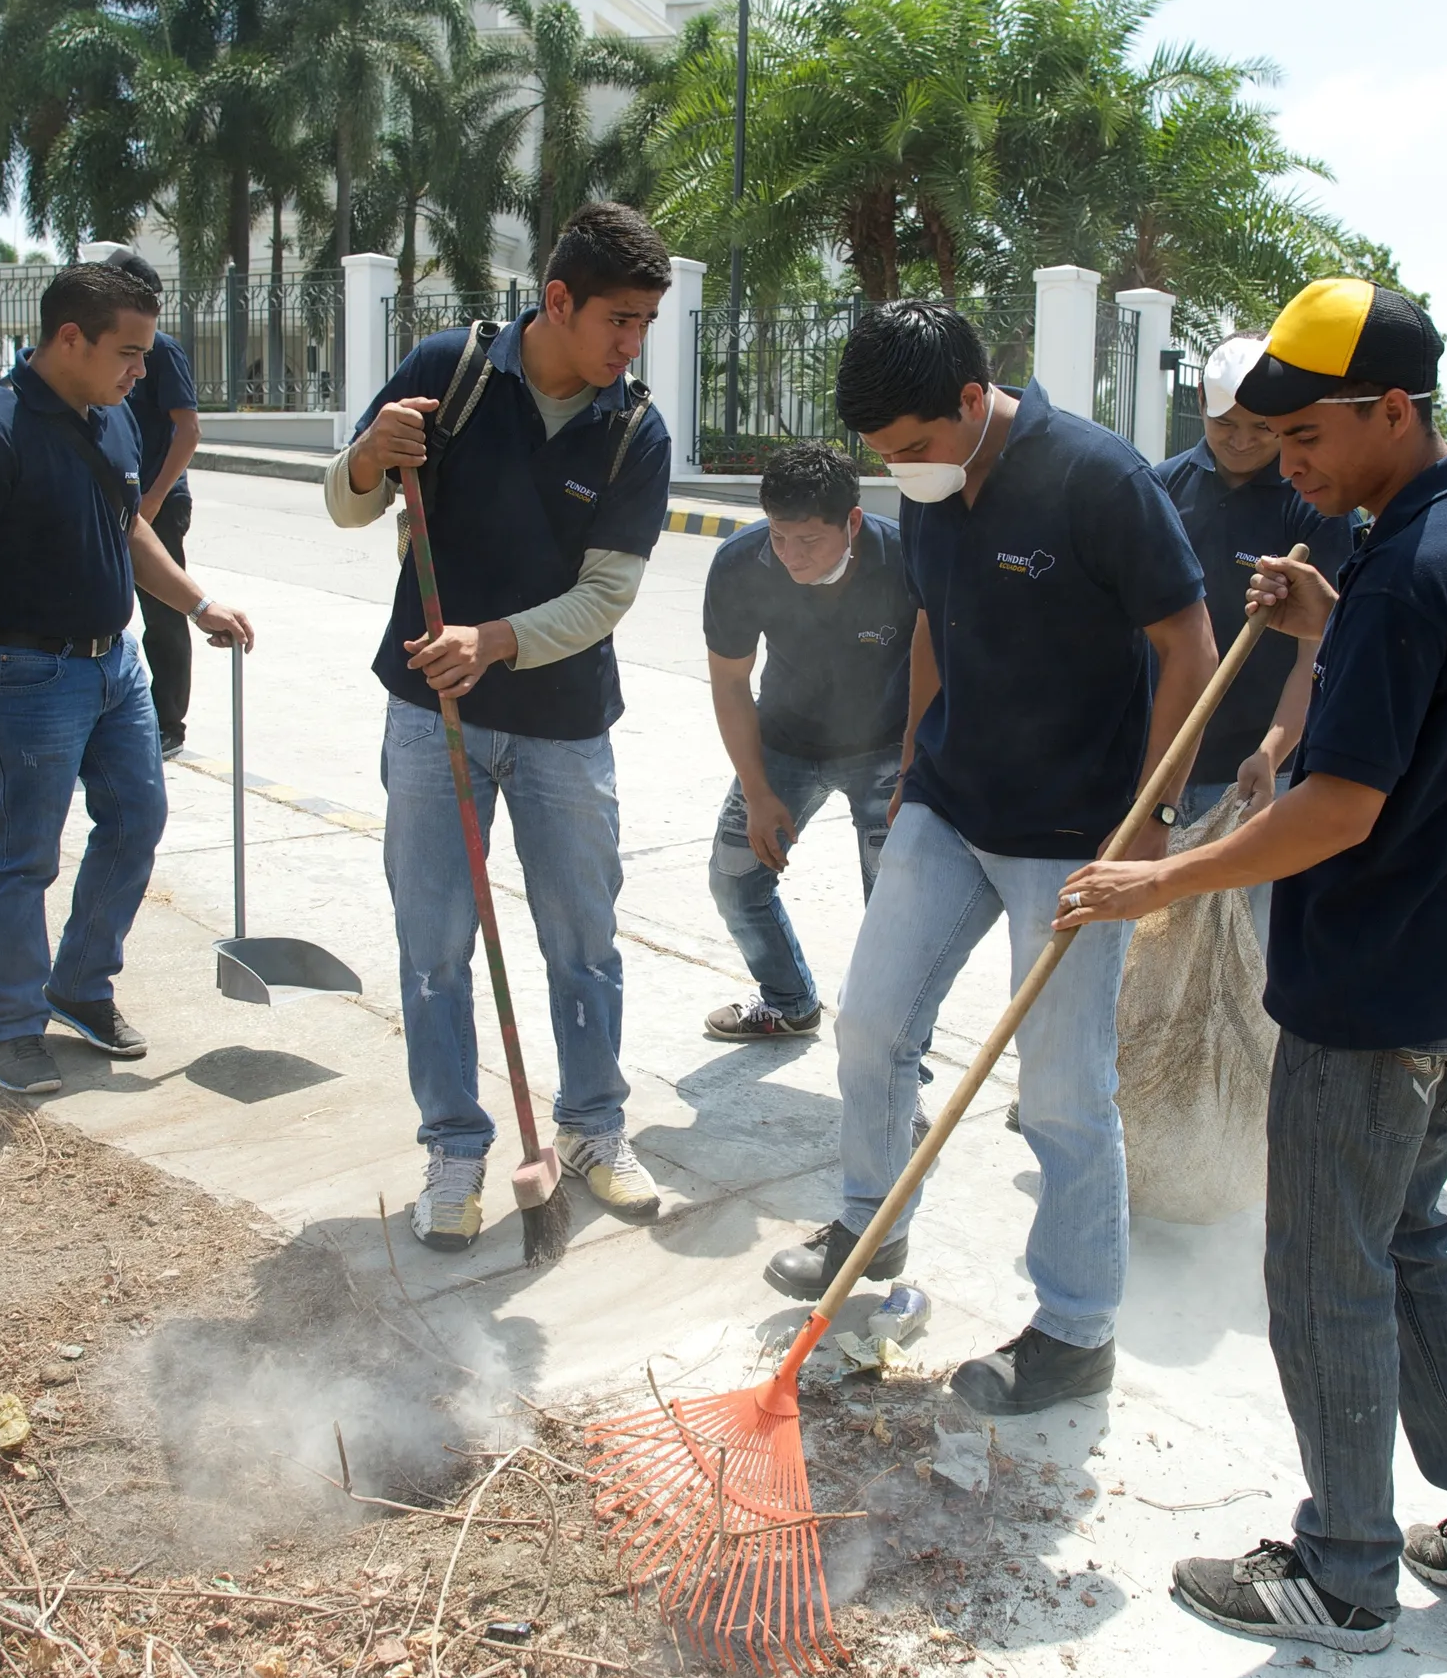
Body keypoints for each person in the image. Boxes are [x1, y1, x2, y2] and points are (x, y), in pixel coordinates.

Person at [1059, 279, 1447, 1652]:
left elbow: (1342, 806)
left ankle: (1345, 1568)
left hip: (1374, 988)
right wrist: (1323, 624)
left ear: (1391, 409)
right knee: (1412, 1239)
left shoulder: (1409, 572)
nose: (1287, 464)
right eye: (1271, 437)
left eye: (1307, 437)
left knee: (1323, 1268)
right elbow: (1438, 696)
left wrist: (1158, 880)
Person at [764, 302, 1217, 1420]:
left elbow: (1188, 644)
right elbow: (931, 624)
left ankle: (1076, 1330)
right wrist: (918, 759)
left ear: (975, 400)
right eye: (884, 456)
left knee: (1062, 1093)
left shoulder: (1100, 479)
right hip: (953, 807)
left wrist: (1149, 822)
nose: (900, 471)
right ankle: (869, 1222)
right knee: (871, 1023)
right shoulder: (929, 491)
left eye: (913, 446)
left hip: (1076, 840)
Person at [324, 203, 674, 1247]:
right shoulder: (453, 371)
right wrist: (365, 457)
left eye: (647, 322)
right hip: (432, 720)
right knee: (434, 944)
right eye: (618, 319)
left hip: (564, 724)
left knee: (584, 939)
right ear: (556, 300)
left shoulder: (634, 430)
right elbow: (346, 508)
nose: (631, 343)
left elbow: (607, 595)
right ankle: (455, 1147)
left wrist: (495, 640)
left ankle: (594, 1128)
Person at [0, 261, 252, 1097]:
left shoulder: (114, 418)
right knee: (24, 855)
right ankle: (16, 1025)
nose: (142, 370)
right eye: (128, 352)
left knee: (137, 818)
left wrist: (198, 601)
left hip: (115, 664)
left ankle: (80, 985)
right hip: (23, 674)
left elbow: (128, 525)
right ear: (70, 338)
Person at [700, 440, 915, 1040]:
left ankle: (903, 1059)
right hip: (784, 742)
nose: (790, 556)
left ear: (852, 521)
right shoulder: (742, 565)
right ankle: (789, 1002)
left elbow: (938, 668)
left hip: (885, 749)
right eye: (778, 536)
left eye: (809, 541)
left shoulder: (903, 558)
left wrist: (916, 766)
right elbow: (731, 682)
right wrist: (757, 789)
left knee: (897, 906)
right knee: (734, 879)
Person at [1152, 331, 1358, 945]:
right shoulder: (1159, 490)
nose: (1242, 441)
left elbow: (1315, 653)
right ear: (1198, 403)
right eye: (1225, 424)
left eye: (1260, 427)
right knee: (1155, 957)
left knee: (1250, 953)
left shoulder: (1314, 503)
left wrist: (1270, 753)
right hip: (1163, 764)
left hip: (1258, 776)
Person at [84, 247, 202, 757]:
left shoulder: (161, 352)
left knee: (165, 613)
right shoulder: (93, 355)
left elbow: (188, 430)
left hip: (155, 504)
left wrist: (152, 499)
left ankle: (168, 724)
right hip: (112, 503)